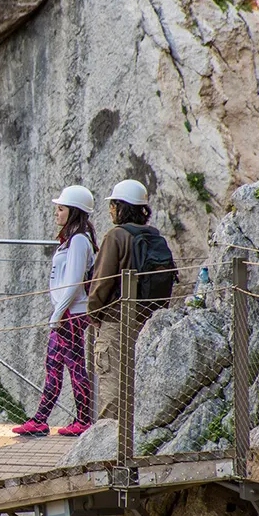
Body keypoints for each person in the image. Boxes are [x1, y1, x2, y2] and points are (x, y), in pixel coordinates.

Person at [12, 186, 97, 437]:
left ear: (73, 212)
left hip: (70, 313)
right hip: (65, 313)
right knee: (54, 365)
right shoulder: (73, 240)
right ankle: (41, 418)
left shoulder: (79, 241)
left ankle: (82, 419)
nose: (56, 213)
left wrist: (57, 314)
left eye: (61, 209)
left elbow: (72, 283)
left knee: (74, 366)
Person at [87, 179, 151, 421]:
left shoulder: (116, 236)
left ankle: (110, 449)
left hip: (116, 320)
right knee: (137, 383)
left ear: (122, 207)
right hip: (147, 319)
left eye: (113, 204)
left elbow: (102, 281)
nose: (110, 209)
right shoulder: (152, 235)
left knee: (112, 384)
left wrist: (94, 313)